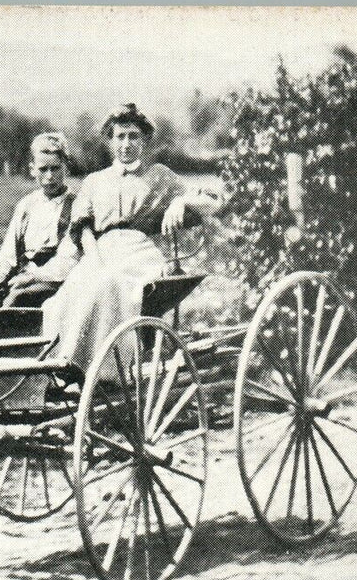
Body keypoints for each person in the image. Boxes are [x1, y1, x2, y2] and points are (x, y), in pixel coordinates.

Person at [41, 103, 222, 377]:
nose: (126, 144)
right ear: (110, 140)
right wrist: (94, 258)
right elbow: (83, 229)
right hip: (99, 251)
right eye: (120, 137)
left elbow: (212, 201)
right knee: (68, 294)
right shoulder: (95, 181)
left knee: (109, 284)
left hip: (140, 253)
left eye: (133, 136)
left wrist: (181, 201)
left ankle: (106, 371)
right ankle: (68, 362)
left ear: (144, 140)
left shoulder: (159, 176)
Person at [0, 132, 78, 310]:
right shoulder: (26, 205)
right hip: (20, 280)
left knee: (14, 302)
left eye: (55, 168)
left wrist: (33, 277)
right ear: (33, 169)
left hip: (53, 282)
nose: (49, 176)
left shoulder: (76, 205)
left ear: (66, 167)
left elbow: (68, 259)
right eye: (43, 169)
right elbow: (8, 254)